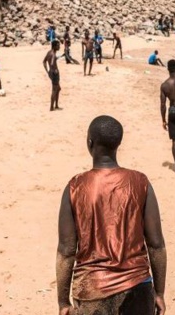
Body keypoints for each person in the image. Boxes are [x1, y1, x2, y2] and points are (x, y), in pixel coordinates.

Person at [56, 116, 167, 315]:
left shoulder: (75, 186)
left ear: (89, 142)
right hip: (138, 287)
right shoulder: (140, 182)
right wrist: (158, 292)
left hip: (92, 290)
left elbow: (66, 250)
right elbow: (156, 244)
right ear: (118, 145)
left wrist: (63, 302)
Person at [44, 40, 62, 112]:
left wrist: (47, 71)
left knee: (58, 89)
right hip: (54, 74)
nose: (59, 47)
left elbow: (44, 61)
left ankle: (56, 105)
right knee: (54, 90)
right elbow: (51, 63)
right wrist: (54, 70)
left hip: (51, 73)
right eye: (58, 45)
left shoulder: (49, 52)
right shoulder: (53, 54)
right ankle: (52, 107)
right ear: (54, 46)